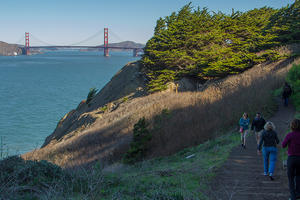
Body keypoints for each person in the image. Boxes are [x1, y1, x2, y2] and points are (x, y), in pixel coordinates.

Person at [282, 119, 300, 200]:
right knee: (299, 176)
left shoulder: (289, 135)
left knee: (291, 177)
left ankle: (293, 196)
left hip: (291, 158)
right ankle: (298, 194)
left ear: (292, 126)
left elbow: (283, 145)